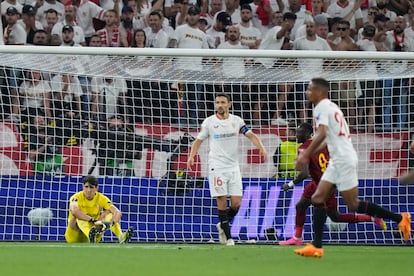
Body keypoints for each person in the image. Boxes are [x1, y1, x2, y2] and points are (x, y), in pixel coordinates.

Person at [294, 78, 411, 258]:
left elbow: (322, 133)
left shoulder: (321, 108)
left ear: (320, 92)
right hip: (338, 159)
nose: (307, 92)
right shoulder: (331, 107)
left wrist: (305, 154)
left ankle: (400, 218)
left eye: (310, 89)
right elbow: (325, 139)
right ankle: (316, 246)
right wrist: (309, 153)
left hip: (344, 159)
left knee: (353, 204)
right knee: (317, 199)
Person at [279, 122, 387, 246]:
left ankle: (372, 218)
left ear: (307, 133)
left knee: (335, 217)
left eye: (299, 132)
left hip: (323, 186)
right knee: (300, 206)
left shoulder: (304, 148)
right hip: (319, 182)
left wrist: (290, 184)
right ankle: (297, 238)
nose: (297, 135)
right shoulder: (322, 144)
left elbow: (304, 174)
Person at [187, 93, 268, 246]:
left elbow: (250, 135)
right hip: (216, 166)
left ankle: (222, 224)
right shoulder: (209, 122)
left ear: (229, 105)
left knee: (237, 203)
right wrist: (192, 156)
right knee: (222, 201)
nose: (220, 105)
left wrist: (262, 148)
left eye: (223, 102)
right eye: (217, 102)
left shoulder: (236, 121)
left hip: (233, 167)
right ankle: (229, 237)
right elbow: (198, 141)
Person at [65, 175, 134, 243]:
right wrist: (91, 220)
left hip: (94, 234)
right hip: (74, 236)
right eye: (86, 187)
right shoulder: (76, 197)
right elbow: (74, 211)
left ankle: (121, 237)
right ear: (83, 187)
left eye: (91, 187)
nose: (88, 190)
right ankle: (90, 234)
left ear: (96, 188)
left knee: (109, 213)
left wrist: (112, 223)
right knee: (78, 216)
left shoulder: (101, 198)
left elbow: (117, 212)